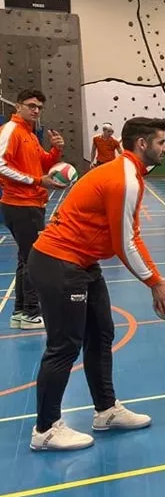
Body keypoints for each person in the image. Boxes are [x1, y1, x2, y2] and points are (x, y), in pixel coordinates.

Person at [28, 117, 165, 451]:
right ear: (142, 144)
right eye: (160, 142)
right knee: (64, 345)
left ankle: (106, 411)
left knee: (101, 334)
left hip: (82, 262)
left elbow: (130, 235)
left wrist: (155, 278)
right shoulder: (123, 178)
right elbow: (125, 242)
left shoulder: (129, 174)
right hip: (59, 262)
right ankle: (46, 429)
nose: (164, 148)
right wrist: (155, 282)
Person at [0, 89, 65, 330]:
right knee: (35, 259)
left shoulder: (30, 133)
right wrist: (37, 182)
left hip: (31, 204)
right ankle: (30, 312)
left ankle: (20, 312)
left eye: (39, 107)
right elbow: (0, 165)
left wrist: (56, 150)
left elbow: (44, 163)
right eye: (30, 105)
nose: (35, 110)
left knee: (26, 259)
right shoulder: (11, 130)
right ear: (17, 107)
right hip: (20, 204)